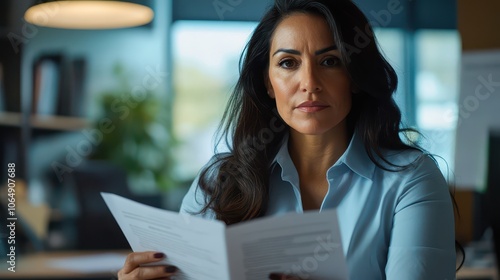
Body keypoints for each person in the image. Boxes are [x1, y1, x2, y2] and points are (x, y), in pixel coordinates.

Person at [117, 0, 457, 279]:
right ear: (268, 83)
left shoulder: (411, 178)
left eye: (329, 61)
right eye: (288, 63)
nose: (309, 82)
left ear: (354, 76)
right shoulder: (218, 181)